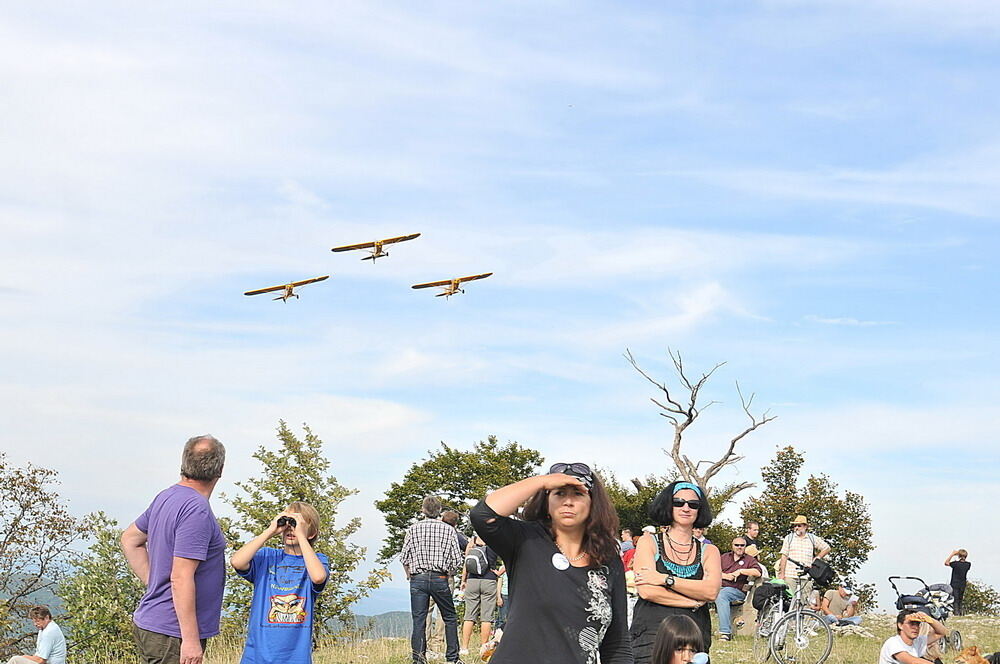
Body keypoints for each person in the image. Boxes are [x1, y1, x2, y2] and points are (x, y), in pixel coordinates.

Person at [470, 462, 632, 664]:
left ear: (593, 503)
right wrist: (542, 481)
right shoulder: (525, 540)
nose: (568, 502)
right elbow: (482, 515)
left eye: (578, 494)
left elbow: (617, 642)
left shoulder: (609, 559)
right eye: (559, 493)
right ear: (546, 501)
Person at [121, 434, 227, 664]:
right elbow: (180, 576)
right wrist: (190, 640)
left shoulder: (167, 497)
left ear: (184, 463)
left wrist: (155, 583)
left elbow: (130, 539)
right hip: (173, 633)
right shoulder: (196, 509)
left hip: (158, 625)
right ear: (219, 470)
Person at [629, 481, 721, 663]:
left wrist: (664, 579)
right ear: (668, 505)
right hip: (652, 633)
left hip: (693, 634)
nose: (686, 508)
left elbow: (711, 591)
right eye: (679, 502)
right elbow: (648, 591)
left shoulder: (710, 551)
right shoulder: (648, 542)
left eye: (693, 504)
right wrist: (693, 601)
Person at [230, 502, 330, 663]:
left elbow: (318, 577)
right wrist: (270, 531)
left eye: (297, 524)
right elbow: (237, 561)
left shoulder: (318, 561)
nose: (291, 529)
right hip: (256, 656)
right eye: (288, 523)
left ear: (312, 533)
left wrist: (302, 535)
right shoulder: (266, 557)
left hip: (295, 658)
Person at [400, 495, 464, 664]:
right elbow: (457, 559)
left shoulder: (413, 529)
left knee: (419, 619)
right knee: (449, 617)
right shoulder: (449, 530)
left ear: (423, 510)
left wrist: (409, 573)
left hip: (418, 578)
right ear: (439, 511)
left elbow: (404, 556)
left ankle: (419, 659)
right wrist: (449, 573)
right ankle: (452, 658)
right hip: (440, 577)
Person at [426, 510, 467, 658]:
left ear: (442, 518)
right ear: (455, 523)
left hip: (426, 575)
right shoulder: (455, 534)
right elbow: (467, 548)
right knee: (444, 612)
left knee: (426, 611)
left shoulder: (431, 530)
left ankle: (425, 644)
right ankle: (437, 645)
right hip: (446, 576)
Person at [714, 536, 761, 641]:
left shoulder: (749, 559)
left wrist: (741, 571)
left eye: (742, 545)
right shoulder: (724, 557)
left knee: (722, 595)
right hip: (718, 587)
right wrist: (725, 576)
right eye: (737, 545)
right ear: (732, 546)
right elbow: (712, 571)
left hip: (737, 591)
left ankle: (725, 632)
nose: (739, 547)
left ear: (745, 546)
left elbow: (757, 572)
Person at [459, 535, 499, 656]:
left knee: (469, 615)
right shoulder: (494, 540)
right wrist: (498, 573)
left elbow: (466, 563)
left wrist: (463, 581)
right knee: (487, 616)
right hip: (489, 581)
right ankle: (483, 646)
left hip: (472, 580)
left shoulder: (473, 541)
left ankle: (464, 648)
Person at [777, 515, 830, 593]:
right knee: (789, 601)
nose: (796, 528)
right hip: (790, 575)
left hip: (806, 576)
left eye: (799, 525)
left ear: (805, 527)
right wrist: (782, 575)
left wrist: (817, 558)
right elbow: (784, 557)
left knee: (805, 602)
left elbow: (827, 548)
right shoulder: (789, 538)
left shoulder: (812, 538)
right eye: (795, 526)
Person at [878, 609, 947, 664]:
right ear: (900, 625)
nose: (915, 627)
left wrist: (929, 619)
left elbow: (941, 632)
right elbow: (913, 661)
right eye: (911, 624)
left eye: (917, 624)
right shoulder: (893, 642)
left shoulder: (917, 642)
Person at [945, 549, 971, 615]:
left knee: (955, 599)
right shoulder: (968, 564)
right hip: (963, 584)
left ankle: (956, 613)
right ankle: (960, 612)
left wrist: (952, 554)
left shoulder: (955, 564)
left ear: (959, 556)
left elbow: (946, 563)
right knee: (960, 599)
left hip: (955, 583)